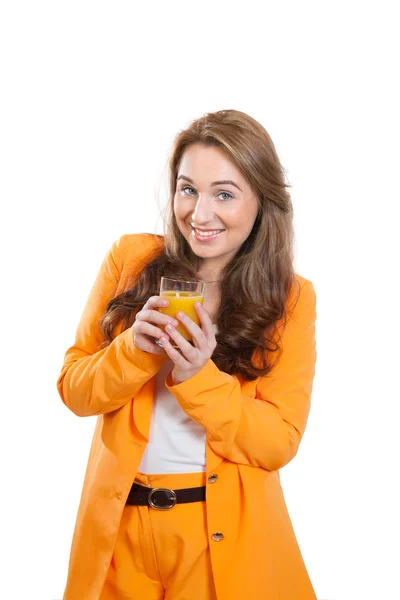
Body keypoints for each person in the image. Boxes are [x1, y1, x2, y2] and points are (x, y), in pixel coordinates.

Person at [57, 108, 318, 600]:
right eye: (187, 189)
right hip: (119, 536)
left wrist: (199, 375)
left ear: (262, 202)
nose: (199, 215)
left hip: (217, 540)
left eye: (224, 194)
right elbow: (74, 390)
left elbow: (278, 442)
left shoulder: (290, 299)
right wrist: (133, 349)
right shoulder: (130, 260)